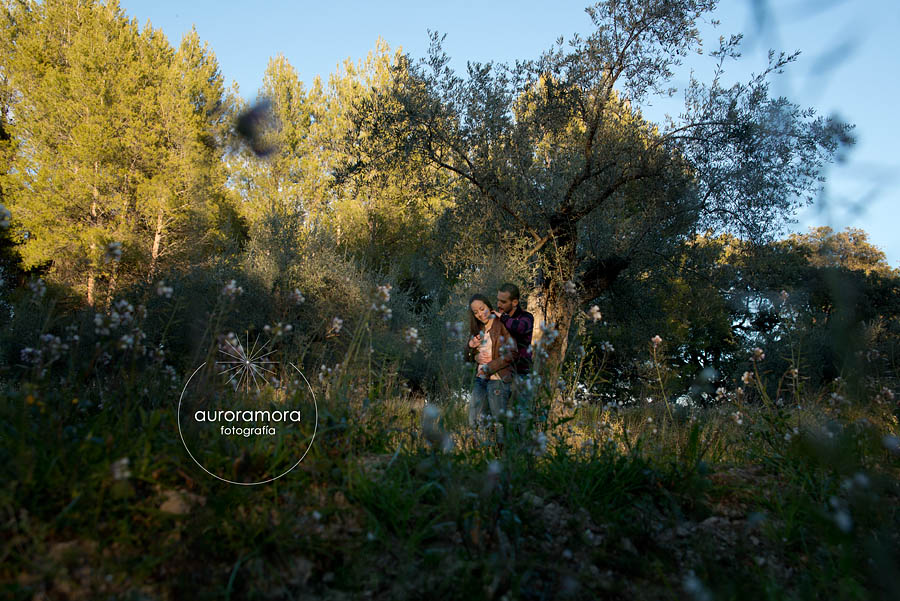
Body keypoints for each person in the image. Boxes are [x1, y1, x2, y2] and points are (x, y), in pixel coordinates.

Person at [464, 293, 518, 428]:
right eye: (476, 312)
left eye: (482, 309)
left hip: (497, 379)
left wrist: (490, 367)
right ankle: (481, 448)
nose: (480, 314)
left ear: (488, 305)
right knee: (475, 421)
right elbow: (467, 357)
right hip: (480, 379)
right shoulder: (478, 328)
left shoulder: (502, 324)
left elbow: (513, 352)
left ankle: (501, 449)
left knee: (499, 424)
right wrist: (472, 352)